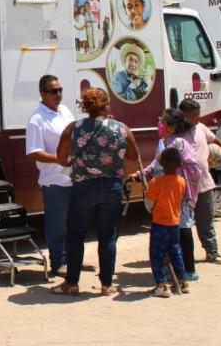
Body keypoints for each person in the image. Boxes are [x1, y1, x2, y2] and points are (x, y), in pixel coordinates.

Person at [52, 87, 140, 296]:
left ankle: (71, 283)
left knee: (76, 235)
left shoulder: (74, 128)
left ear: (85, 106)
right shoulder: (121, 128)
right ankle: (106, 285)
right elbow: (133, 155)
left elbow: (61, 159)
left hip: (84, 187)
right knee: (107, 236)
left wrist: (79, 160)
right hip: (112, 187)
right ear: (107, 103)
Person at [131, 108, 202, 281]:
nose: (159, 124)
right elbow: (156, 164)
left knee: (183, 230)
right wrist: (141, 175)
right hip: (166, 193)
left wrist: (180, 183)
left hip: (179, 194)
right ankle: (176, 270)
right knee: (173, 234)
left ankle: (188, 269)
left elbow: (193, 168)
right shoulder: (165, 143)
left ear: (171, 127)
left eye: (163, 121)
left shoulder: (179, 143)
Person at [26, 75, 75, 277]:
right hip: (54, 180)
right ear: (42, 93)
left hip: (74, 178)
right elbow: (33, 152)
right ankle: (58, 263)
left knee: (74, 222)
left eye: (60, 90)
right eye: (53, 91)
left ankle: (73, 259)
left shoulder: (65, 111)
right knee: (57, 224)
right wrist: (59, 159)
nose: (58, 95)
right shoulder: (36, 119)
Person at [180, 98, 221, 264]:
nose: (196, 118)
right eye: (192, 116)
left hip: (204, 185)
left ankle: (212, 252)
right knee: (182, 225)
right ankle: (180, 257)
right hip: (184, 187)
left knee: (207, 221)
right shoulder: (176, 132)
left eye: (198, 115)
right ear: (183, 116)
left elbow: (216, 141)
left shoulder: (202, 128)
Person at [144, 147, 189, 297]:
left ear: (161, 164)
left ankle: (162, 284)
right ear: (178, 164)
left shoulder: (155, 183)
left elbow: (149, 204)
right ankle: (182, 281)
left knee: (157, 254)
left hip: (159, 224)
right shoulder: (182, 181)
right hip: (174, 223)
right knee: (176, 252)